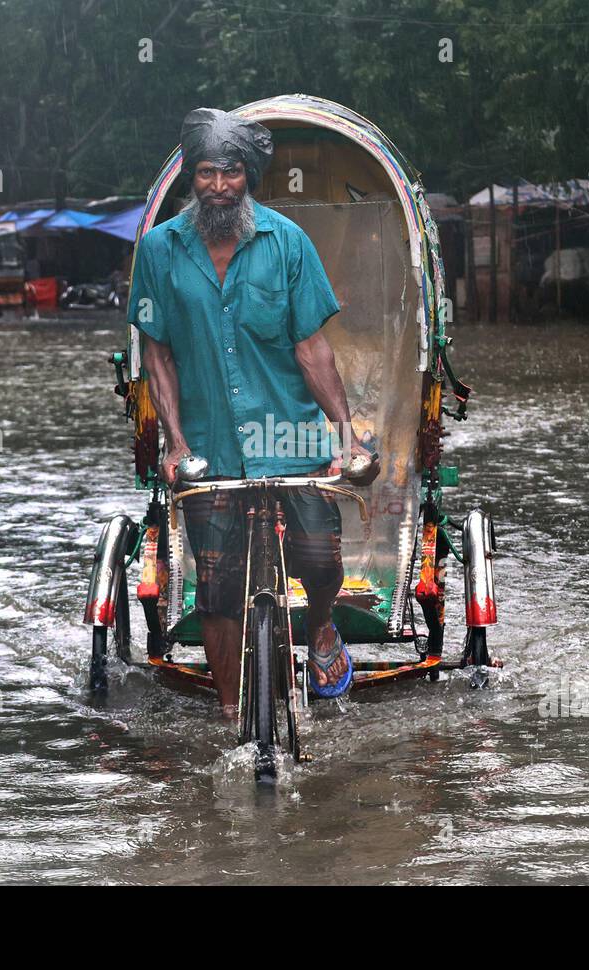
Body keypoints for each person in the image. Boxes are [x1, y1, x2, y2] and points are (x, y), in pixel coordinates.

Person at [129, 107, 374, 711]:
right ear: (192, 175)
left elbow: (312, 349)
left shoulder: (286, 242)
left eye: (231, 173)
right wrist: (177, 445)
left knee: (320, 558)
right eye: (207, 172)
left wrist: (346, 437)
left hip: (288, 435)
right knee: (215, 592)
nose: (218, 186)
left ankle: (319, 628)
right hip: (209, 444)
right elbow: (157, 356)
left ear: (249, 177)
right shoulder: (159, 251)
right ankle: (234, 712)